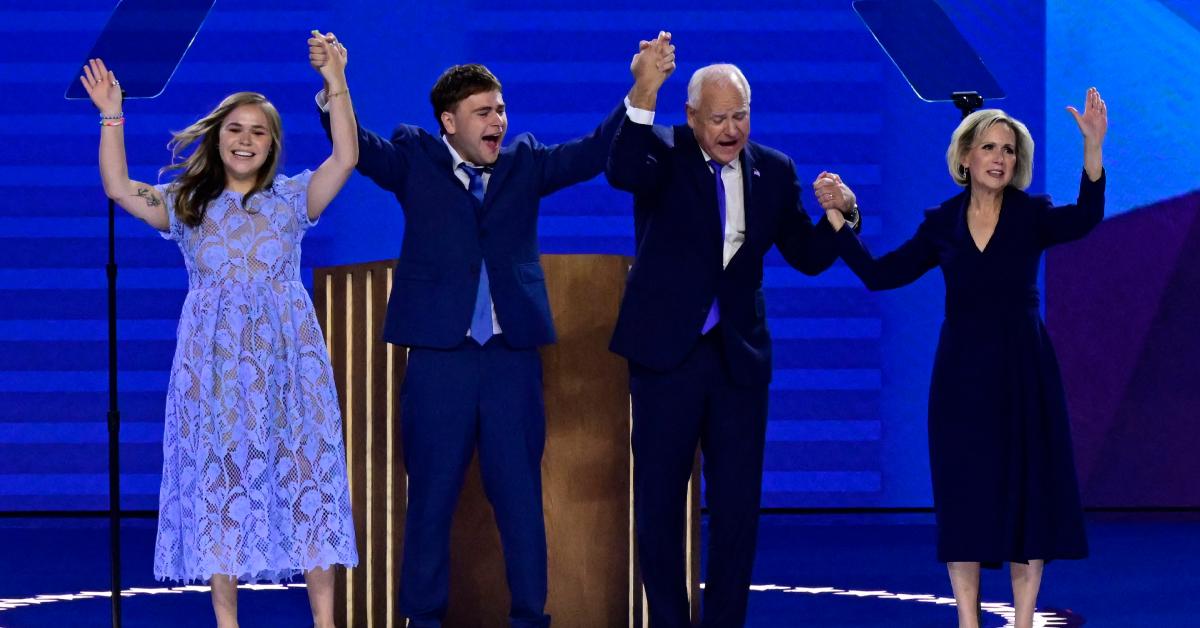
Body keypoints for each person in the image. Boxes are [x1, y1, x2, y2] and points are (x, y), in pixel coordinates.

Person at [309, 32, 670, 628]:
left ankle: (531, 618)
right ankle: (422, 620)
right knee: (429, 502)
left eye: (501, 109)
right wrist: (335, 84)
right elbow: (359, 149)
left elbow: (593, 152)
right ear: (449, 121)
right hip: (438, 361)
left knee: (520, 502)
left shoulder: (525, 161)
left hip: (509, 362)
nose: (498, 120)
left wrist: (643, 87)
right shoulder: (416, 157)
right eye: (483, 112)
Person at [79, 32, 359, 628]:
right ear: (217, 137)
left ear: (272, 146)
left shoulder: (291, 199)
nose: (246, 140)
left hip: (291, 367)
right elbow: (118, 188)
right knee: (220, 486)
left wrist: (335, 81)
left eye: (259, 132)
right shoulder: (188, 204)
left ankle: (326, 622)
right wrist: (112, 116)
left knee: (307, 477)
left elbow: (346, 158)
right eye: (236, 129)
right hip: (216, 370)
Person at [824, 88, 1107, 628]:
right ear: (965, 158)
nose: (1000, 158)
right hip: (961, 377)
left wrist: (1092, 149)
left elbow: (1088, 217)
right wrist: (841, 222)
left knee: (1027, 495)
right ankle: (968, 621)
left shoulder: (1032, 215)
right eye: (989, 147)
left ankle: (1022, 622)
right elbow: (882, 274)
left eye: (1008, 149)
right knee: (964, 496)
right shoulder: (943, 224)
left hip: (1024, 371)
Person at [606, 35, 860, 627]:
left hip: (738, 360)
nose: (730, 128)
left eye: (739, 115)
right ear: (691, 117)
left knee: (739, 509)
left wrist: (842, 213)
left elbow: (807, 254)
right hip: (667, 358)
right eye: (717, 118)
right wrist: (645, 88)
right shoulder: (661, 153)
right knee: (660, 506)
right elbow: (620, 167)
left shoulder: (774, 170)